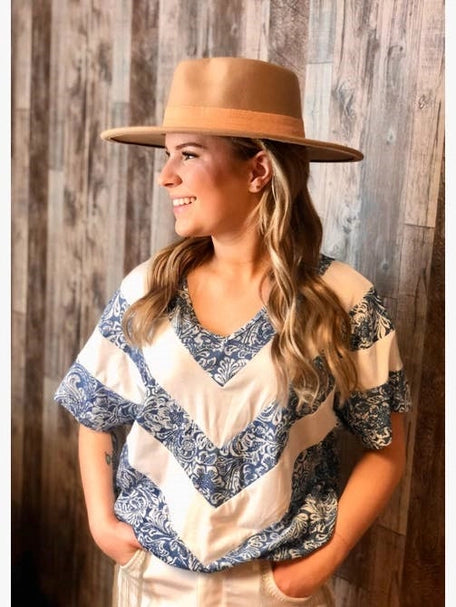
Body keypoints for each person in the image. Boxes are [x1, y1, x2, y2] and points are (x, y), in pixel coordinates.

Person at [55, 57, 411, 607]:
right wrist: (105, 526)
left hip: (276, 589)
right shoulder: (149, 289)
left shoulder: (345, 300)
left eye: (189, 154)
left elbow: (385, 447)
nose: (165, 174)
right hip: (150, 583)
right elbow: (93, 413)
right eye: (167, 153)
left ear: (258, 170)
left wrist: (318, 565)